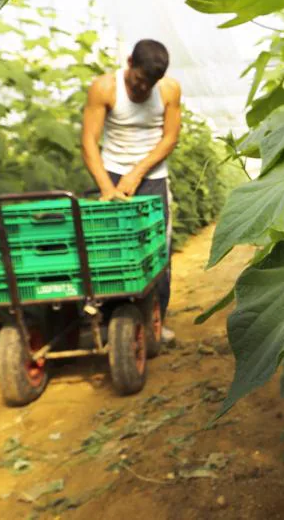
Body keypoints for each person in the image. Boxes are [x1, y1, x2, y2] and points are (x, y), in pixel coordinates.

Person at [81, 39, 181, 343]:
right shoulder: (105, 88)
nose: (141, 89)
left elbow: (169, 138)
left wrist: (137, 173)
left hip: (151, 177)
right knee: (108, 250)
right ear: (128, 63)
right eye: (138, 81)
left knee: (156, 253)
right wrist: (107, 188)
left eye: (149, 84)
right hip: (110, 171)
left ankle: (155, 324)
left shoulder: (168, 91)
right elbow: (88, 141)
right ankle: (109, 323)